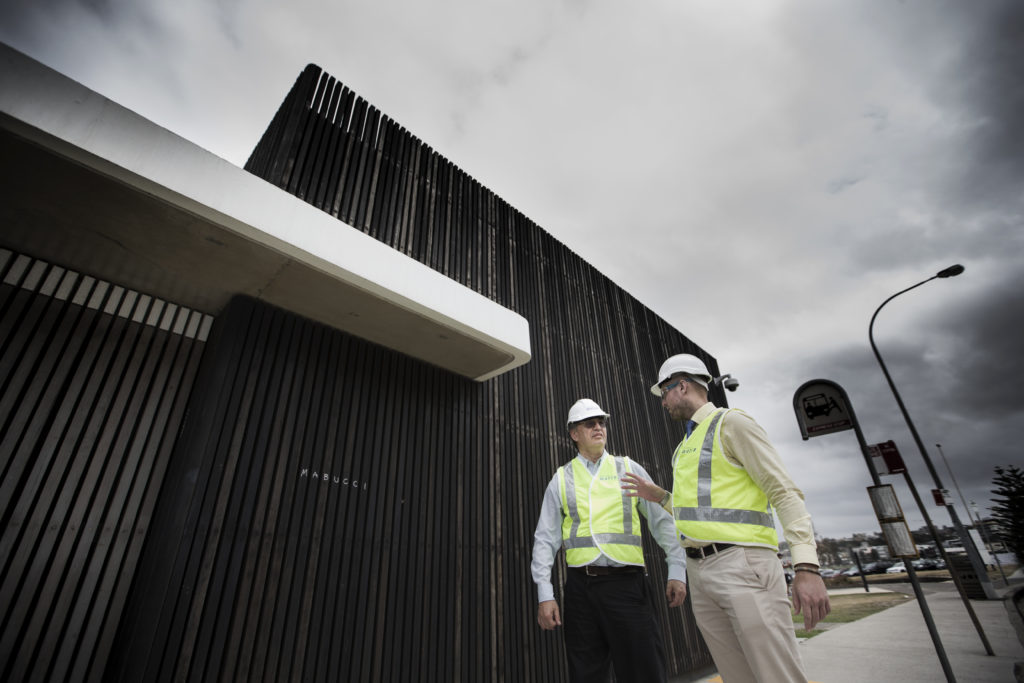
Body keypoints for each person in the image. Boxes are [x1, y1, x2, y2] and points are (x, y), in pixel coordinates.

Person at [622, 354, 830, 683]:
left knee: (776, 675)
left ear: (683, 385)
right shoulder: (683, 447)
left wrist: (806, 566)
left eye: (664, 393)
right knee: (738, 677)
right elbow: (699, 512)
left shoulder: (733, 424)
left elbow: (784, 492)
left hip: (743, 565)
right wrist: (660, 497)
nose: (663, 403)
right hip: (701, 572)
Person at [531, 398, 687, 683]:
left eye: (601, 422)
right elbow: (545, 539)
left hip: (627, 586)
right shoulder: (561, 479)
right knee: (586, 673)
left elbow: (662, 522)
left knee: (644, 671)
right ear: (574, 434)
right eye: (589, 423)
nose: (598, 427)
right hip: (581, 590)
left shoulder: (628, 469)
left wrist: (677, 570)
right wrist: (546, 594)